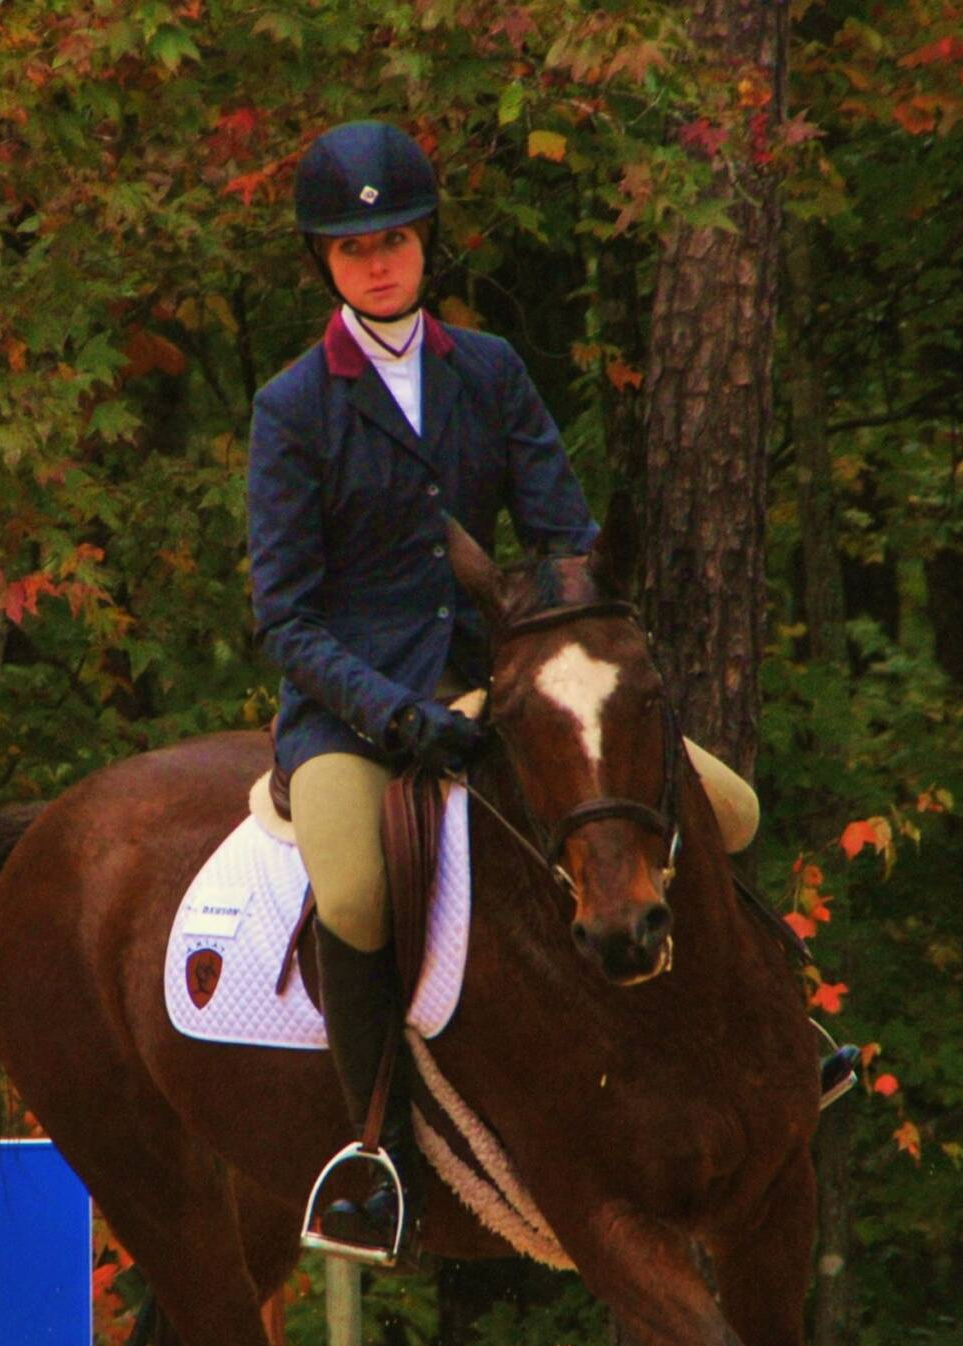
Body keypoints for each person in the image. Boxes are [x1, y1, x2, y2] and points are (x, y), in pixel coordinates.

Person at [247, 120, 860, 1266]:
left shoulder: (490, 371)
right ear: (324, 264)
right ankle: (371, 1155)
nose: (378, 261)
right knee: (357, 893)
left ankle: (778, 1039)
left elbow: (562, 530)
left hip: (500, 687)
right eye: (352, 247)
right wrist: (391, 713)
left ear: (426, 243)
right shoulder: (297, 407)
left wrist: (559, 636)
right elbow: (285, 614)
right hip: (355, 716)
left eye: (395, 239)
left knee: (724, 810)